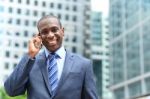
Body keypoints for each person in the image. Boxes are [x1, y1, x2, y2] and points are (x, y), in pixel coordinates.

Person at [4, 15, 98, 99]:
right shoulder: (30, 63)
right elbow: (11, 90)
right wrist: (30, 55)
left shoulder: (83, 64)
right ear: (39, 36)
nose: (50, 35)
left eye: (54, 30)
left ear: (62, 31)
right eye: (44, 32)